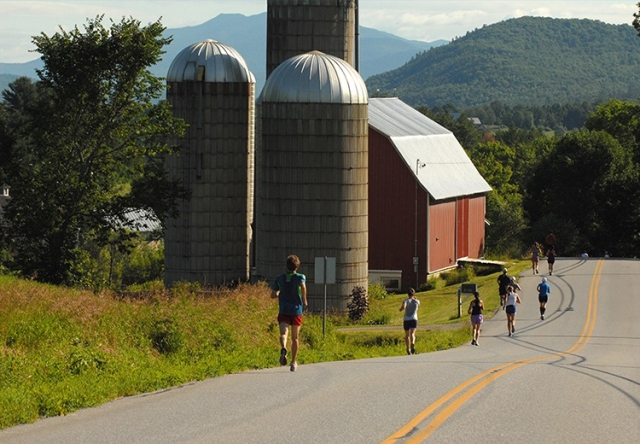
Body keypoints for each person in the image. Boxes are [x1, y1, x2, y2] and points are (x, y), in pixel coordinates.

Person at [271, 254, 308, 372]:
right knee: (295, 338)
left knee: (283, 333)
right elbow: (302, 286)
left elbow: (273, 294)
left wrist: (278, 293)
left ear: (286, 265)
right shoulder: (300, 277)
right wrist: (304, 299)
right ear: (297, 266)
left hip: (284, 310)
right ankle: (293, 362)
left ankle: (283, 347)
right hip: (296, 310)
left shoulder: (279, 278)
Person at [399, 288, 420, 355]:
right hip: (414, 319)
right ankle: (413, 343)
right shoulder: (417, 301)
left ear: (407, 294)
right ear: (414, 293)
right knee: (412, 334)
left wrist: (401, 309)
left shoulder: (406, 300)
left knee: (407, 335)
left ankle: (408, 349)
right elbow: (417, 304)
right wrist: (415, 298)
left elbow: (404, 306)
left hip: (406, 319)